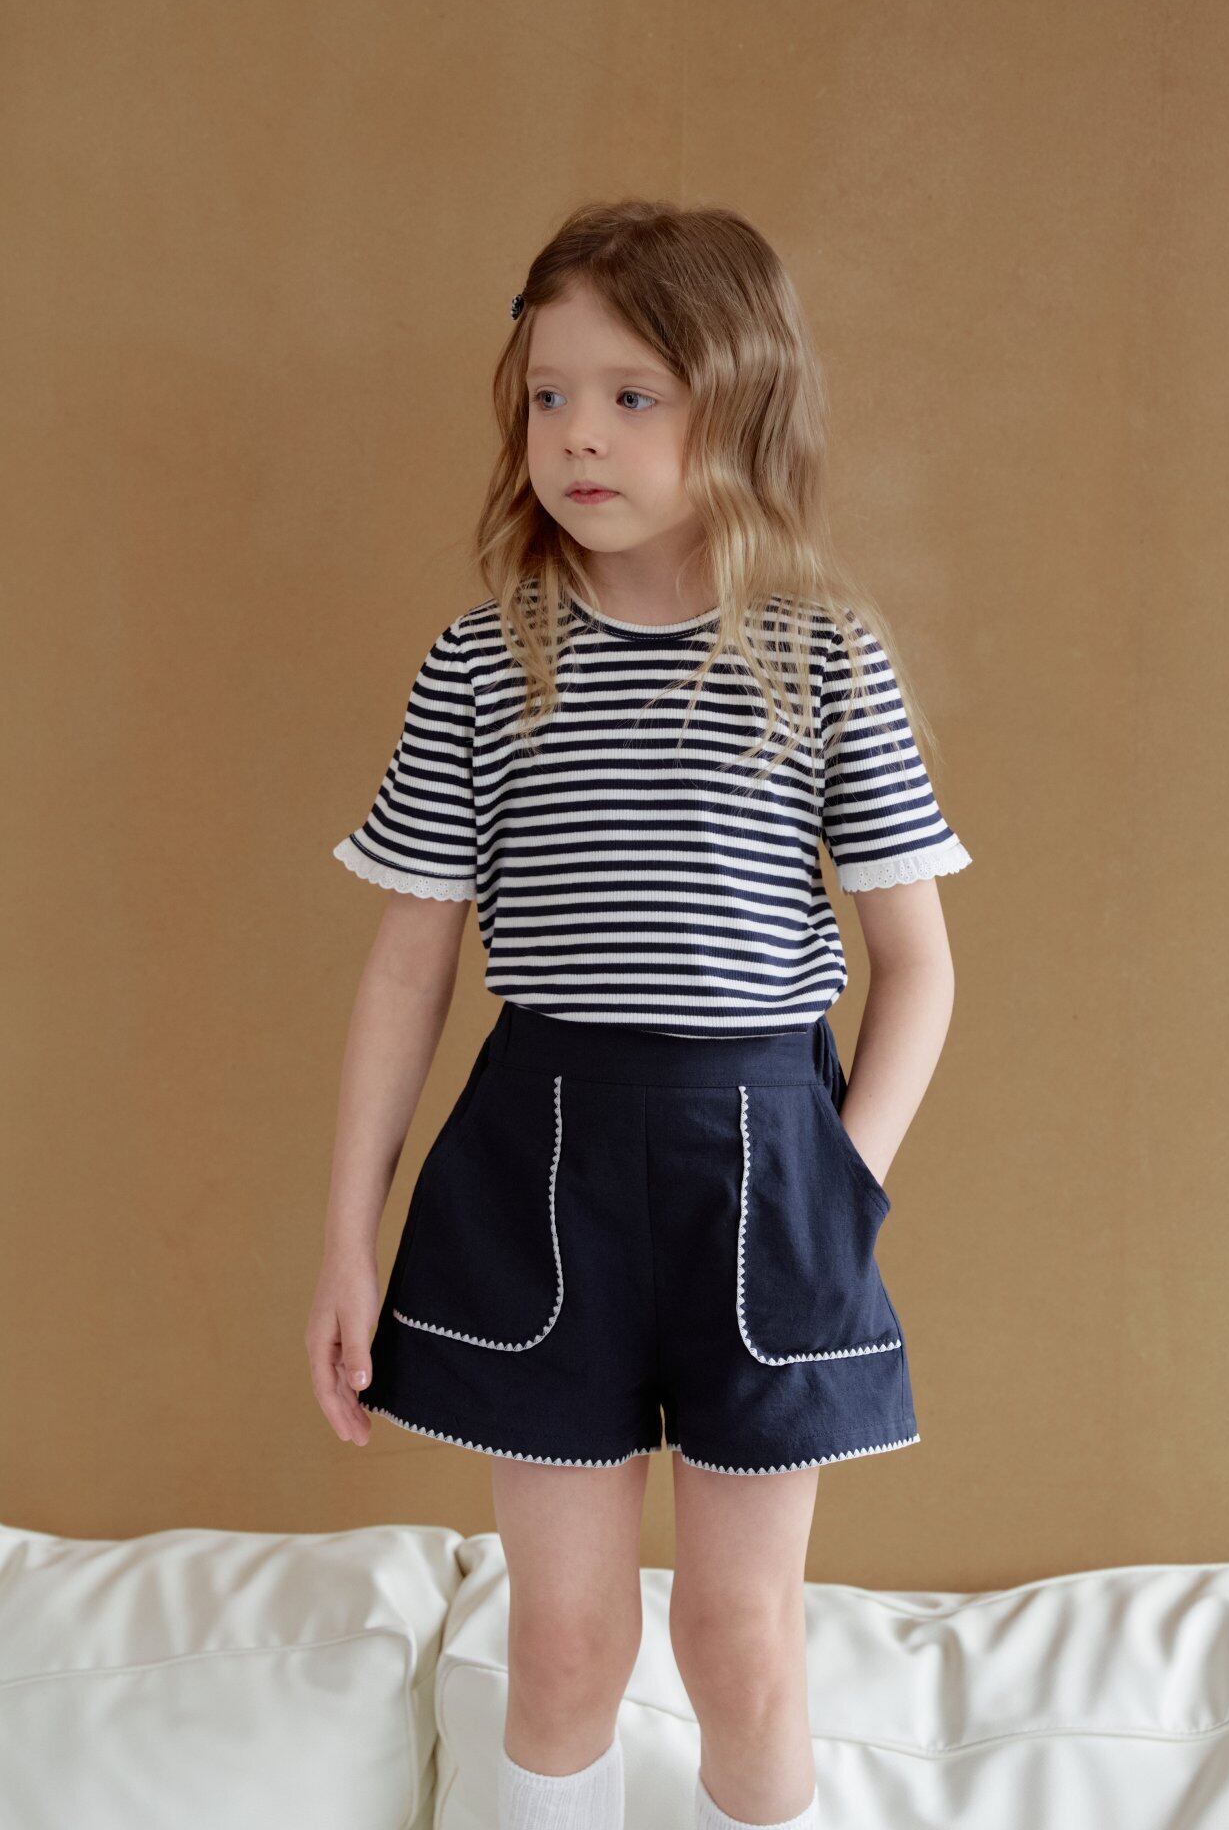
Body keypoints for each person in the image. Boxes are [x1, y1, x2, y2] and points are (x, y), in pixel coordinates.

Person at [305, 198, 973, 1830]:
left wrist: (845, 1184)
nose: (578, 435)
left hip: (770, 1170)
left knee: (742, 1641)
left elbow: (919, 965)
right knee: (563, 1643)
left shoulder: (826, 659)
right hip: (539, 1166)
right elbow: (408, 968)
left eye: (630, 394)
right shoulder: (485, 662)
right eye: (549, 394)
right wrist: (347, 1239)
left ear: (739, 405)